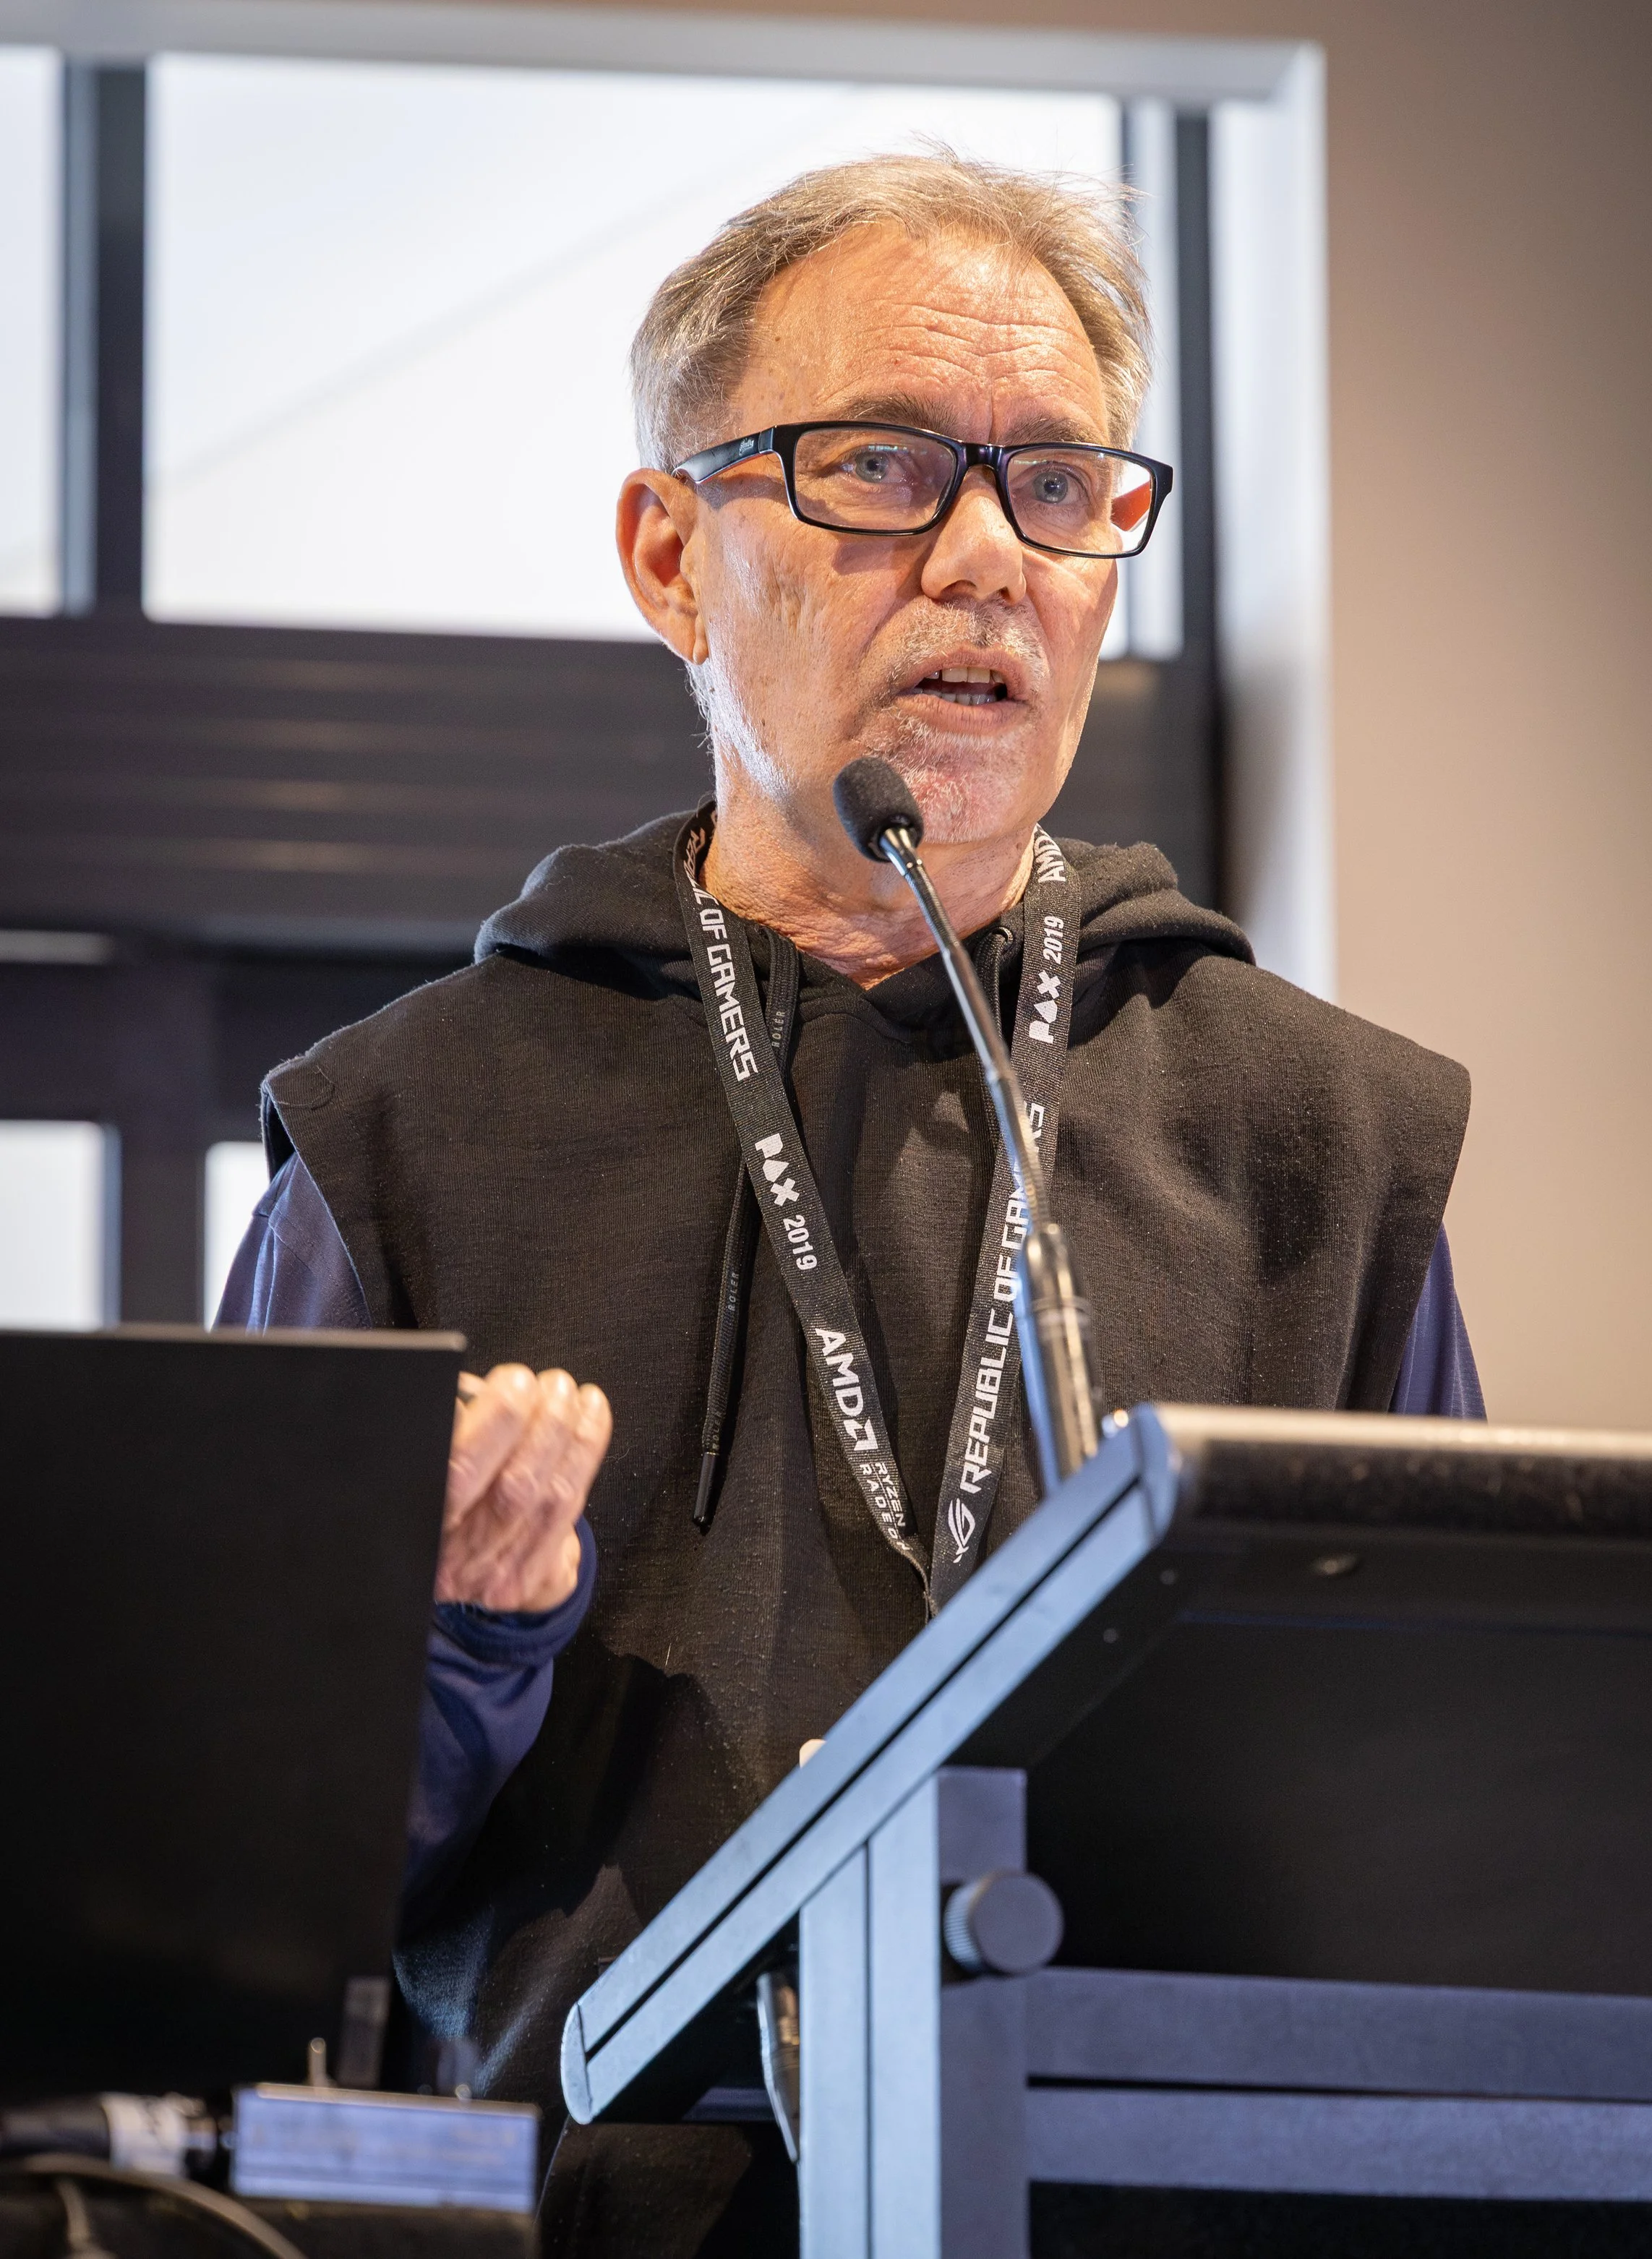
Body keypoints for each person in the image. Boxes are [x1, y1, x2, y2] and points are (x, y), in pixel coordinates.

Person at [219, 152, 1482, 2255]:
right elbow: (229, 1882)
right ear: (667, 555)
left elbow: (1451, 1815)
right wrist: (448, 1653)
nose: (986, 557)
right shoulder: (404, 1131)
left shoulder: (1315, 1132)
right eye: (881, 469)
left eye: (1060, 486)